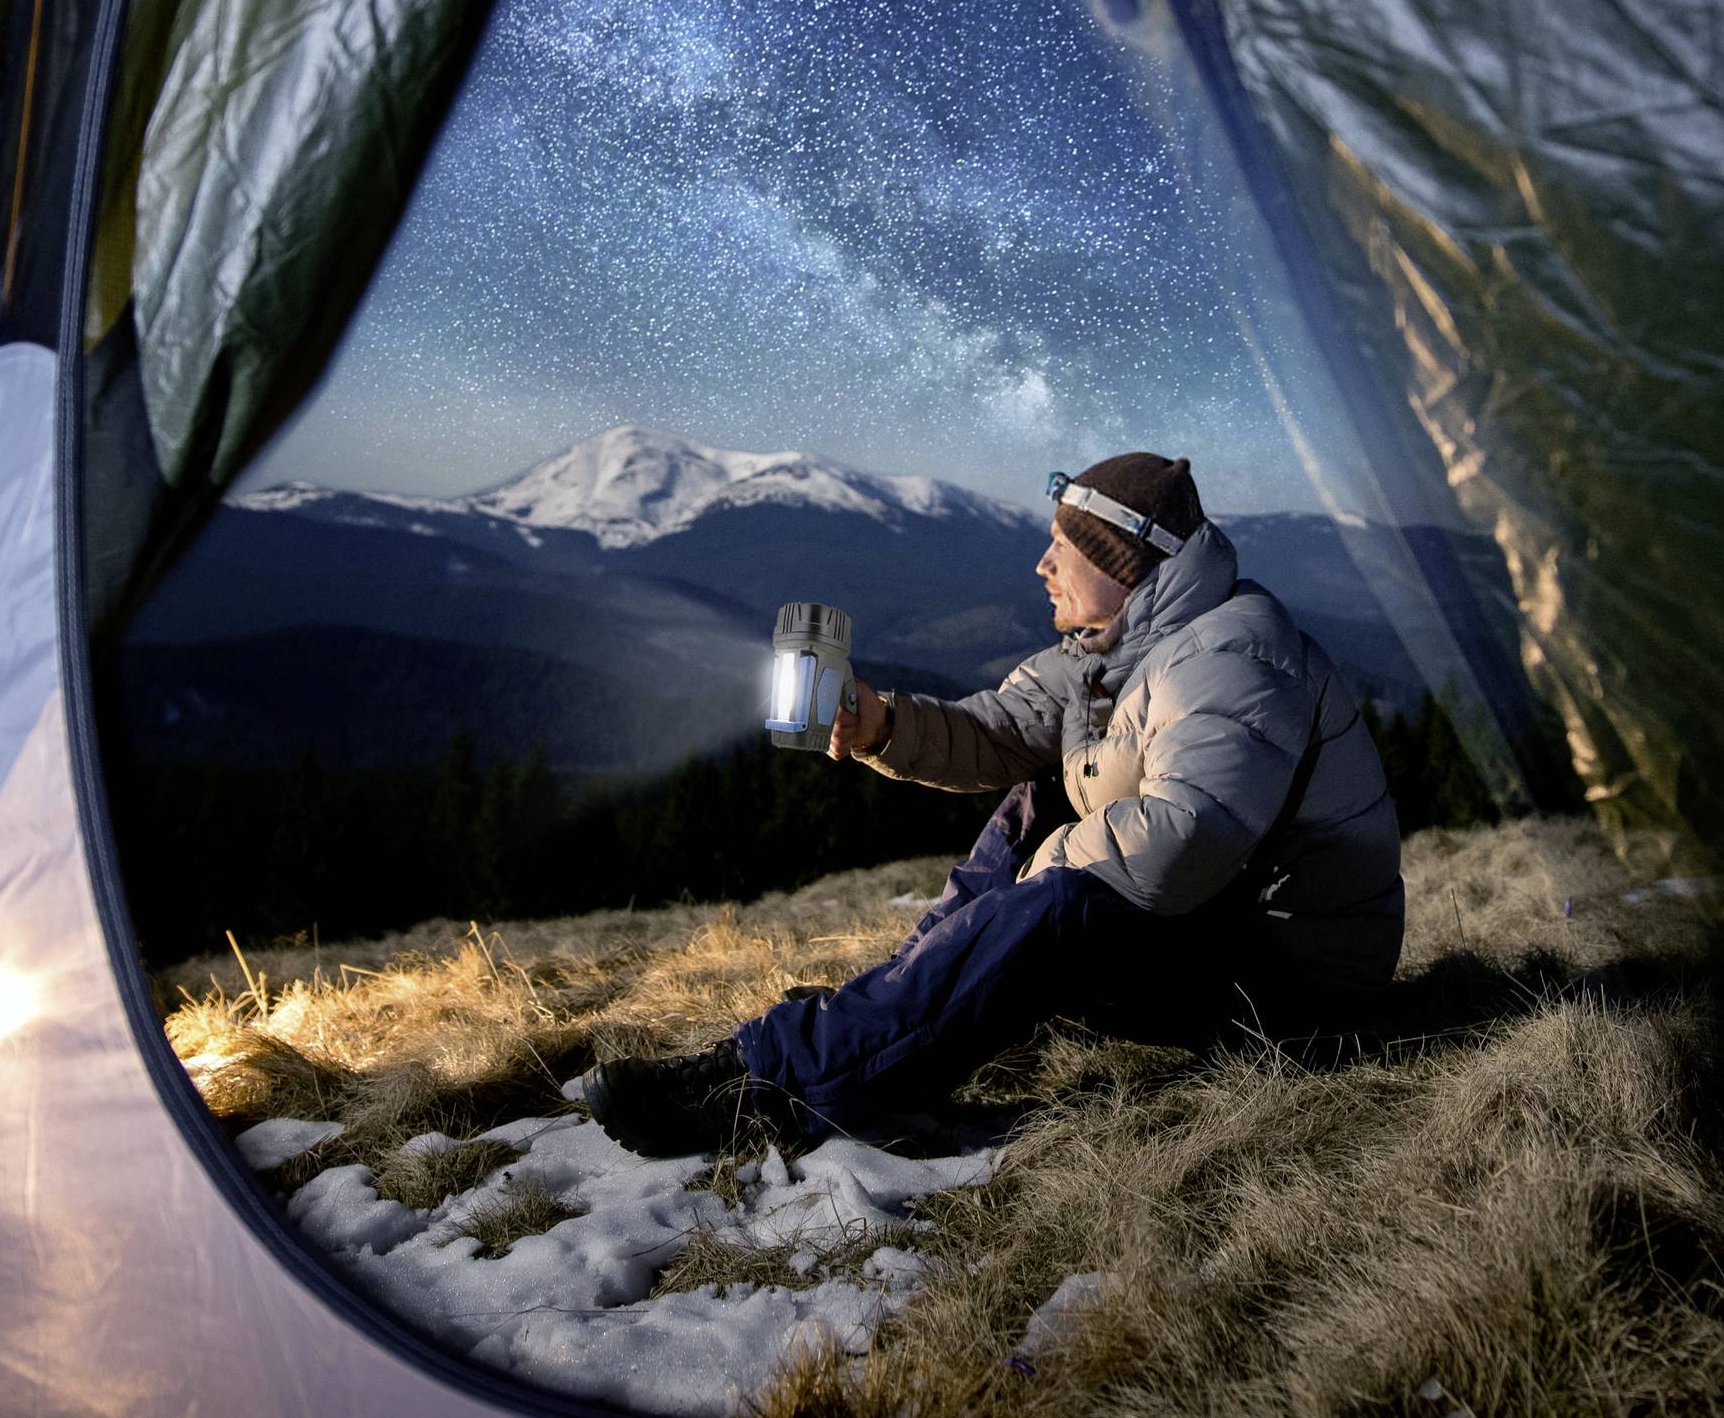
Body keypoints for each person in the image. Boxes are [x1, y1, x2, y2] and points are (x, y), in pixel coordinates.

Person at [583, 452, 1406, 1156]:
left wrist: (1039, 879)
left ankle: (772, 1088)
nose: (1041, 567)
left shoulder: (1233, 656)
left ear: (1123, 564)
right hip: (1218, 932)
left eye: (1061, 550)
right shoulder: (1117, 649)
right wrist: (882, 725)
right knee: (1036, 798)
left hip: (1293, 988)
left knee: (1057, 896)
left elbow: (1184, 841)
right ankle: (876, 1018)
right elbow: (1000, 726)